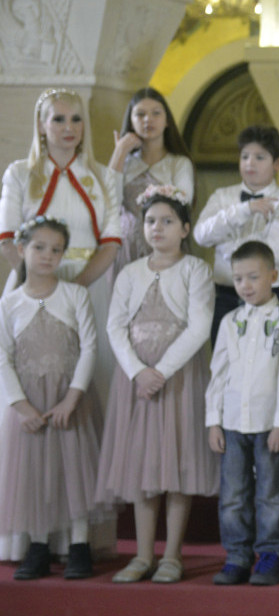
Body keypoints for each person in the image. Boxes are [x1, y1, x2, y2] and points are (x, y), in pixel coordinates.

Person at [0, 89, 120, 564]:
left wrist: (75, 288)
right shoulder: (19, 173)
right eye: (58, 120)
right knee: (27, 405)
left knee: (86, 410)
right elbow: (9, 236)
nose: (68, 128)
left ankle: (81, 536)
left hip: (88, 290)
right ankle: (31, 534)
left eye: (76, 119)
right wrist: (42, 279)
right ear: (41, 124)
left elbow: (109, 242)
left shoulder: (101, 177)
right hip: (32, 288)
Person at [97, 186, 218, 584]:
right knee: (142, 465)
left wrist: (161, 371)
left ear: (185, 228)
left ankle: (172, 555)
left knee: (177, 462)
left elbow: (200, 326)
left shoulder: (195, 270)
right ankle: (142, 554)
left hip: (178, 377)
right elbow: (115, 326)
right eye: (151, 221)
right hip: (136, 382)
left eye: (168, 221)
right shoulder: (130, 272)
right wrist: (137, 372)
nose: (158, 228)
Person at [0, 217, 103, 580]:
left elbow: (90, 347)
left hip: (69, 400)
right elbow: (2, 358)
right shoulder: (9, 304)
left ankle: (79, 545)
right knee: (35, 475)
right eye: (38, 247)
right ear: (21, 250)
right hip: (30, 403)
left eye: (55, 249)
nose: (47, 256)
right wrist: (20, 405)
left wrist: (72, 398)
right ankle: (38, 546)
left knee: (75, 471)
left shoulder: (75, 295)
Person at [205, 241, 279, 587]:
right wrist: (212, 420)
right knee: (233, 494)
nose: (245, 285)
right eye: (238, 278)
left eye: (253, 277)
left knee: (271, 492)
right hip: (232, 421)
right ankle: (236, 555)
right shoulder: (231, 321)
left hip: (268, 423)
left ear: (273, 276)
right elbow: (218, 372)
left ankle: (270, 554)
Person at [193, 126, 279, 346]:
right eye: (245, 156)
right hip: (226, 294)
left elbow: (278, 249)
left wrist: (225, 246)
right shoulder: (222, 196)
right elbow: (201, 235)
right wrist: (243, 210)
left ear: (277, 163)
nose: (250, 163)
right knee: (225, 364)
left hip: (272, 295)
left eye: (259, 157)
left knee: (271, 365)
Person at [107, 87, 194, 269]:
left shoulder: (178, 163)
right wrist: (120, 152)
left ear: (166, 121)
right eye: (140, 114)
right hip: (125, 250)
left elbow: (183, 202)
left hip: (166, 249)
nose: (148, 119)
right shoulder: (126, 161)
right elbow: (108, 203)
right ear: (131, 121)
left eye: (156, 113)